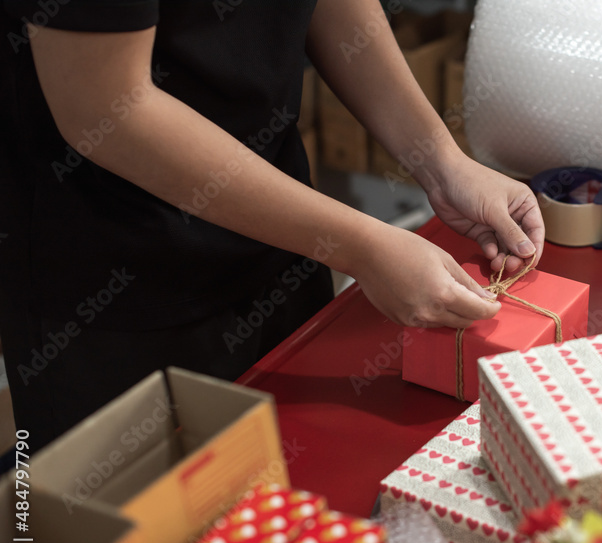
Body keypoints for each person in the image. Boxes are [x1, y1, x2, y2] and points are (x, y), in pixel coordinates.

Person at [0, 0, 544, 456]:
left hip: (278, 232)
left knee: (304, 486)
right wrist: (360, 247)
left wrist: (442, 162)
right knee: (157, 536)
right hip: (115, 284)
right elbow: (106, 109)